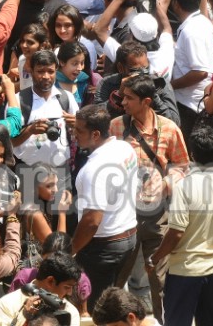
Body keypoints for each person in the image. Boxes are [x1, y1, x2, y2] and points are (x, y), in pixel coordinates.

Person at [110, 73, 189, 318]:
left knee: (160, 278)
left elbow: (183, 166)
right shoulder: (116, 126)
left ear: (146, 101)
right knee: (118, 276)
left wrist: (165, 183)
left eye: (129, 99)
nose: (123, 103)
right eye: (123, 98)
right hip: (124, 215)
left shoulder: (169, 129)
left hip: (157, 216)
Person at [149, 125, 213, 326]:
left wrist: (155, 258)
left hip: (184, 273)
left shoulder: (184, 187)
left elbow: (176, 234)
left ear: (192, 155)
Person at [71, 103, 138, 310]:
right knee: (114, 306)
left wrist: (71, 250)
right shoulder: (125, 148)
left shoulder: (94, 169)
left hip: (103, 248)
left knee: (97, 311)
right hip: (129, 239)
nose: (74, 134)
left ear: (96, 134)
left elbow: (92, 221)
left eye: (79, 131)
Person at [170, 0, 213, 138]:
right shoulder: (199, 23)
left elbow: (200, 72)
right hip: (192, 102)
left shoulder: (192, 30)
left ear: (176, 3)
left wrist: (170, 86)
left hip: (190, 105)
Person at [0, 253, 83, 326]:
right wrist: (25, 318)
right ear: (50, 281)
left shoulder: (70, 311)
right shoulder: (8, 304)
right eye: (67, 287)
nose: (70, 293)